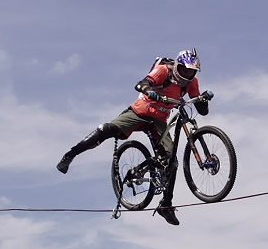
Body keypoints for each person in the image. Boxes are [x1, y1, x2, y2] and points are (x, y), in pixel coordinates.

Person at [56, 48, 211, 225]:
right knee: (106, 129)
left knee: (171, 162)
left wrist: (203, 100)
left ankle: (165, 206)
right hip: (141, 111)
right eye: (186, 70)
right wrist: (148, 90)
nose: (188, 74)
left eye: (192, 71)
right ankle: (71, 155)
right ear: (178, 66)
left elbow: (202, 110)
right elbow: (142, 83)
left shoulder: (192, 82)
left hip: (159, 120)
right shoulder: (164, 71)